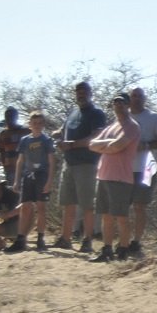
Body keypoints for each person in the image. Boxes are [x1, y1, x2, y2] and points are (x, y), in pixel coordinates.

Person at [87, 91, 141, 262]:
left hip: (121, 178)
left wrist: (106, 146)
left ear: (128, 105)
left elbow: (119, 145)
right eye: (116, 102)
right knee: (106, 216)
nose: (119, 105)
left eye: (123, 102)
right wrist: (108, 145)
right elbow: (91, 144)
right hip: (103, 175)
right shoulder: (111, 127)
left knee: (121, 217)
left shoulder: (132, 126)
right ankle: (107, 249)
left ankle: (123, 250)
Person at [54, 81, 107, 254]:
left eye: (84, 91)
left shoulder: (96, 113)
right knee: (68, 203)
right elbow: (63, 130)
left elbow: (96, 137)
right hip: (69, 163)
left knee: (87, 205)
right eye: (78, 92)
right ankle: (65, 238)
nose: (81, 94)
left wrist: (72, 144)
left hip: (87, 164)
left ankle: (87, 241)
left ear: (91, 93)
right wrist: (58, 135)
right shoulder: (73, 113)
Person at [126, 87, 157, 256]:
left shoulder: (153, 117)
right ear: (129, 99)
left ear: (144, 99)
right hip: (125, 168)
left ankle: (136, 241)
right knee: (123, 207)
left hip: (146, 168)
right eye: (133, 96)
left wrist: (146, 145)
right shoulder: (123, 117)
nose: (136, 99)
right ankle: (124, 240)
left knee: (139, 206)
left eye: (139, 96)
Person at [8, 110, 57, 253]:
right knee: (25, 207)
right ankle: (21, 238)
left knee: (41, 207)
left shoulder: (46, 140)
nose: (37, 125)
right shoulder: (25, 140)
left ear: (43, 125)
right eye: (34, 123)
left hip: (41, 175)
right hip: (27, 176)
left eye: (40, 123)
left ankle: (40, 238)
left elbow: (51, 161)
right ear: (30, 124)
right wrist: (17, 180)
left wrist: (49, 181)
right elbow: (20, 161)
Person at [0, 107, 30, 184]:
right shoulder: (3, 134)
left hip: (25, 168)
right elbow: (2, 151)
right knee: (13, 191)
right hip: (10, 169)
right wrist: (5, 166)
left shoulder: (26, 131)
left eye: (12, 116)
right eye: (7, 116)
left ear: (17, 117)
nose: (9, 118)